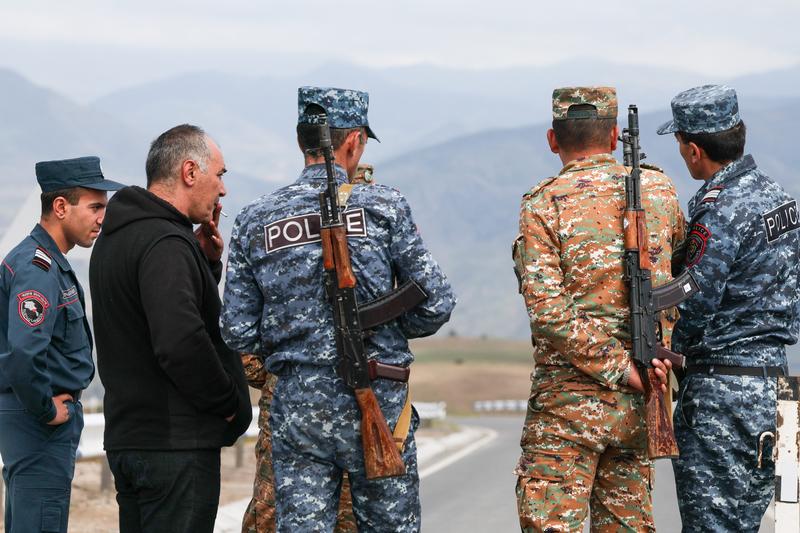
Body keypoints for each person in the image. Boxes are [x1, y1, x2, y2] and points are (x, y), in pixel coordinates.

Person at [221, 87, 456, 532]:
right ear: (354, 141)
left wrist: (297, 342)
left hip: (298, 408)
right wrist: (387, 328)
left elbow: (237, 331)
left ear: (301, 141)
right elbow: (437, 302)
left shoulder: (255, 218)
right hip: (379, 396)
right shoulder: (385, 206)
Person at [512, 87, 684, 532]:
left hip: (566, 410)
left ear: (553, 140)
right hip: (638, 404)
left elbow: (549, 311)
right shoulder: (660, 191)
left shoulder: (543, 203)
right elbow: (680, 273)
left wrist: (621, 369)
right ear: (612, 138)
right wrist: (639, 370)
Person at [89, 125, 252, 533]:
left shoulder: (118, 237)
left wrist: (205, 264)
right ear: (190, 172)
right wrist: (228, 402)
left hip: (132, 439)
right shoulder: (165, 243)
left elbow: (149, 318)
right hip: (175, 447)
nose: (223, 190)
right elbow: (179, 342)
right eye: (220, 175)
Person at [658, 85, 800, 532]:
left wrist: (666, 347)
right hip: (778, 390)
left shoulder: (720, 210)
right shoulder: (779, 198)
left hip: (723, 393)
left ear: (694, 150)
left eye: (680, 144)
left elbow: (695, 304)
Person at [239, 161, 378, 533]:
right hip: (348, 411)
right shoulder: (379, 252)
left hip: (306, 411)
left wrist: (285, 377)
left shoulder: (280, 255)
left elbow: (246, 349)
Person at [0, 156, 123, 533]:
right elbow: (24, 353)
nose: (102, 218)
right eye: (95, 207)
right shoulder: (36, 268)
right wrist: (44, 409)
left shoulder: (49, 263)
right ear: (60, 207)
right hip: (37, 426)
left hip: (34, 423)